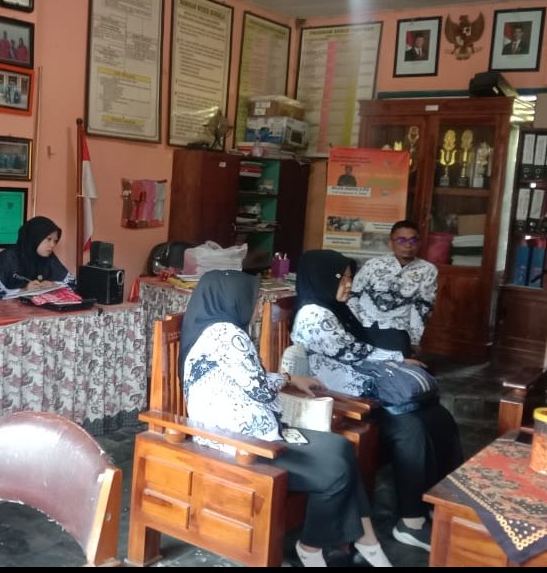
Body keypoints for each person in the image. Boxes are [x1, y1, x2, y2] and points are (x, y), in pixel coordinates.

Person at [181, 270, 393, 567]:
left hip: (243, 433)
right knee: (335, 473)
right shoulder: (228, 334)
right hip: (242, 445)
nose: (257, 307)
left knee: (342, 448)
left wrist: (289, 378)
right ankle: (311, 547)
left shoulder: (210, 329)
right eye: (254, 299)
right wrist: (286, 382)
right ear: (233, 300)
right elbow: (259, 388)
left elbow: (248, 379)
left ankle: (365, 540)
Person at [291, 249, 464, 553]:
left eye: (350, 277)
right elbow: (352, 352)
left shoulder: (336, 308)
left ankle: (437, 503)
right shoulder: (313, 314)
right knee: (410, 428)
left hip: (365, 386)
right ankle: (410, 522)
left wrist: (396, 358)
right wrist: (398, 358)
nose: (349, 284)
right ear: (323, 279)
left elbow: (362, 347)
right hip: (345, 398)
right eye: (343, 278)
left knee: (438, 417)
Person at [348, 220, 438, 355]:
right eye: (401, 240)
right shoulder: (374, 264)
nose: (408, 245)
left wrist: (414, 340)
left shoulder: (427, 270)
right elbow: (353, 295)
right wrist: (352, 326)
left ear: (419, 243)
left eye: (413, 240)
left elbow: (422, 308)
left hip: (397, 329)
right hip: (363, 324)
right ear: (391, 243)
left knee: (396, 363)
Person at [0, 215, 76, 301]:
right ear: (35, 237)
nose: (52, 245)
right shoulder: (6, 260)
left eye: (55, 241)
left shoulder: (50, 258)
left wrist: (54, 285)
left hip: (41, 312)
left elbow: (73, 285)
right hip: (10, 313)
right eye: (49, 239)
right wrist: (23, 290)